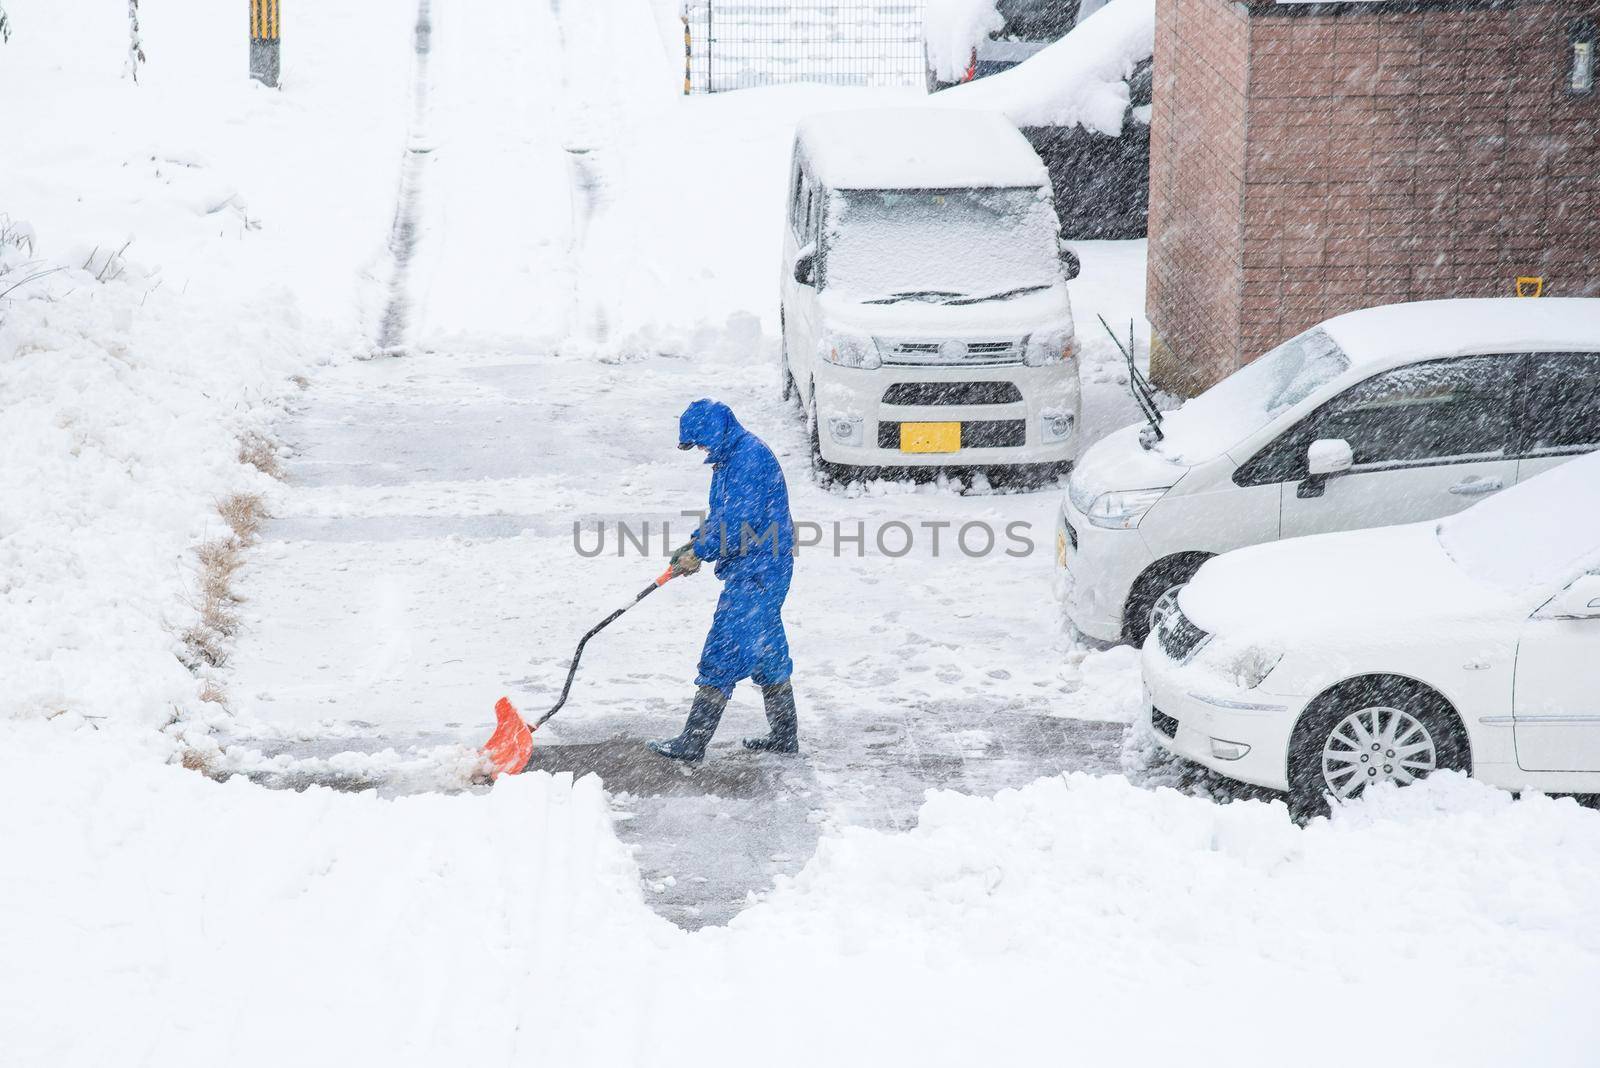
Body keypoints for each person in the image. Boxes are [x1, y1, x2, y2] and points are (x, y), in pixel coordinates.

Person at [647, 399, 799, 761]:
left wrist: (700, 553)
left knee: (723, 650)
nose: (700, 450)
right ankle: (784, 735)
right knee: (767, 654)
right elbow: (724, 517)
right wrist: (695, 543)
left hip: (757, 574)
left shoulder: (747, 459)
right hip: (762, 570)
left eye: (700, 442)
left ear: (713, 431)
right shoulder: (733, 457)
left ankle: (692, 743)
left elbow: (738, 526)